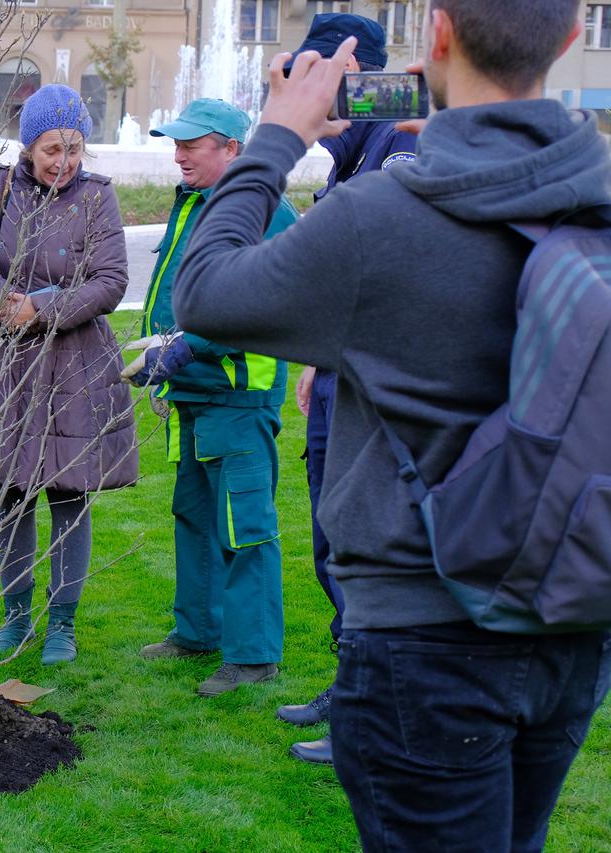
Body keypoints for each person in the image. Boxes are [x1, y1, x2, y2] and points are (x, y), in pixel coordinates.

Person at [172, 1, 610, 847]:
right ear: (564, 42)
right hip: (569, 617)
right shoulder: (589, 199)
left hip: (424, 636)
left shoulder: (381, 216)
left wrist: (275, 136)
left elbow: (207, 293)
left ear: (437, 34)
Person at [274, 12, 418, 768]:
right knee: (333, 541)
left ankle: (371, 713)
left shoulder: (403, 139)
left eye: (314, 77)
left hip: (376, 393)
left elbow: (379, 273)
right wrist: (314, 359)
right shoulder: (359, 148)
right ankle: (350, 683)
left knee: (363, 549)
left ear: (347, 76)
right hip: (338, 376)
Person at [124, 98, 298, 698]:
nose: (179, 154)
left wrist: (181, 348)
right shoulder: (196, 199)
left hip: (236, 397)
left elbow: (260, 300)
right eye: (176, 143)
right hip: (193, 395)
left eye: (192, 145)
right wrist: (163, 350)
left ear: (231, 149)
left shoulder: (266, 209)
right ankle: (196, 632)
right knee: (194, 517)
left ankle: (253, 657)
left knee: (244, 526)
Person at [0, 84, 137, 666]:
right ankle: (15, 618)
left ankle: (61, 623)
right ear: (28, 147)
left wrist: (44, 309)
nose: (63, 163)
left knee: (69, 493)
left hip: (73, 361)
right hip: (9, 361)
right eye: (51, 150)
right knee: (12, 494)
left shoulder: (97, 199)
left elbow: (111, 280)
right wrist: (5, 302)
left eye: (74, 149)